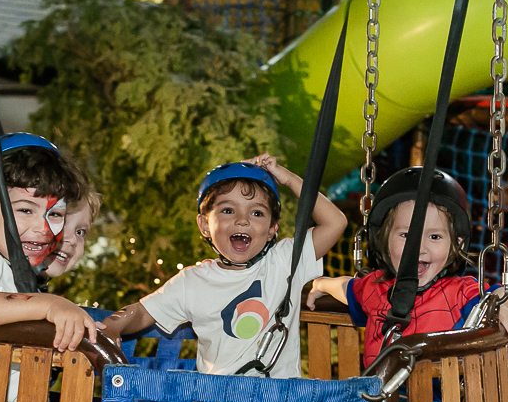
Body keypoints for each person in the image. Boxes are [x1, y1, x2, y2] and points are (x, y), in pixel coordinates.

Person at [103, 154, 347, 380]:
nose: (242, 220)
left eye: (257, 213)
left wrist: (288, 178)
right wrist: (113, 326)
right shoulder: (193, 281)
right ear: (205, 225)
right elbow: (144, 312)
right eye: (228, 210)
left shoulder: (283, 261)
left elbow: (335, 222)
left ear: (273, 228)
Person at [307, 167, 508, 366]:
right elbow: (348, 288)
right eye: (406, 235)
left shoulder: (457, 292)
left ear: (457, 244)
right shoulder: (377, 285)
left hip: (433, 401)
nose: (419, 249)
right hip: (375, 398)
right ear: (384, 238)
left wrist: (498, 308)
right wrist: (322, 284)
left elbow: (507, 295)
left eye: (434, 236)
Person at [0, 134, 100, 354]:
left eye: (55, 214)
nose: (42, 227)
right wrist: (49, 305)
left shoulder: (24, 276)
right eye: (25, 210)